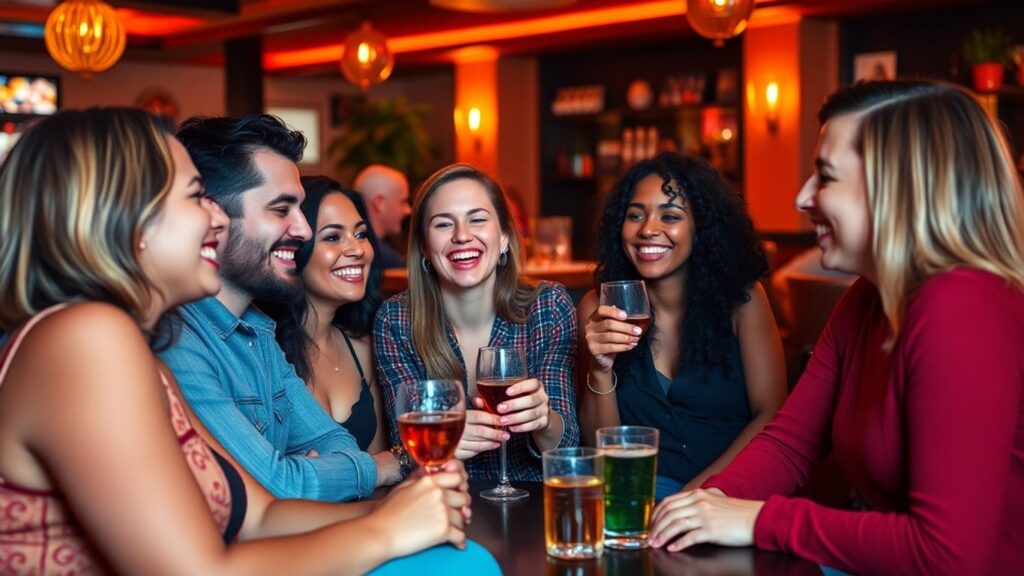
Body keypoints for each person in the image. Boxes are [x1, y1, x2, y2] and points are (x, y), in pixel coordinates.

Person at [0, 108, 498, 575]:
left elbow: (261, 515)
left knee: (460, 558)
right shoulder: (84, 338)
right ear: (127, 218)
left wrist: (403, 508)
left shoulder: (138, 348)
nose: (216, 220)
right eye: (196, 197)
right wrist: (387, 529)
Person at [648, 80, 1024, 575]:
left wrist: (761, 520)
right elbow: (791, 443)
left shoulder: (963, 306)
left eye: (825, 177)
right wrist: (701, 508)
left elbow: (948, 555)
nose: (802, 197)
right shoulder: (865, 299)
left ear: (899, 188)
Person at [161, 115, 401, 502]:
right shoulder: (177, 339)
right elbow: (276, 487)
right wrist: (387, 465)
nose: (302, 230)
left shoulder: (257, 331)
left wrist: (308, 472)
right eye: (280, 209)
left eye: (300, 209)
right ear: (213, 217)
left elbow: (333, 442)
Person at [577, 152, 787, 496]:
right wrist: (600, 369)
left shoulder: (744, 301)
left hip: (732, 493)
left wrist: (700, 495)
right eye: (635, 216)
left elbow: (771, 414)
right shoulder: (597, 307)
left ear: (700, 227)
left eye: (670, 215)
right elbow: (600, 449)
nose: (647, 229)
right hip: (637, 500)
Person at [375, 163, 579, 480]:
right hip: (442, 506)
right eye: (443, 225)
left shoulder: (548, 306)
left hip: (533, 506)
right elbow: (405, 448)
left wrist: (544, 419)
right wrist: (442, 441)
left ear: (505, 238)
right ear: (424, 249)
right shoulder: (396, 320)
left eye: (478, 220)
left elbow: (566, 446)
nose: (462, 236)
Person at [267, 176, 390, 454]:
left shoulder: (364, 347)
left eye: (361, 234)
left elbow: (380, 466)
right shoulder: (263, 350)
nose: (357, 250)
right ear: (293, 249)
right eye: (333, 237)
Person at [354, 164, 412, 269]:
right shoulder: (385, 259)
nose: (408, 210)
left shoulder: (351, 250)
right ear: (379, 204)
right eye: (402, 202)